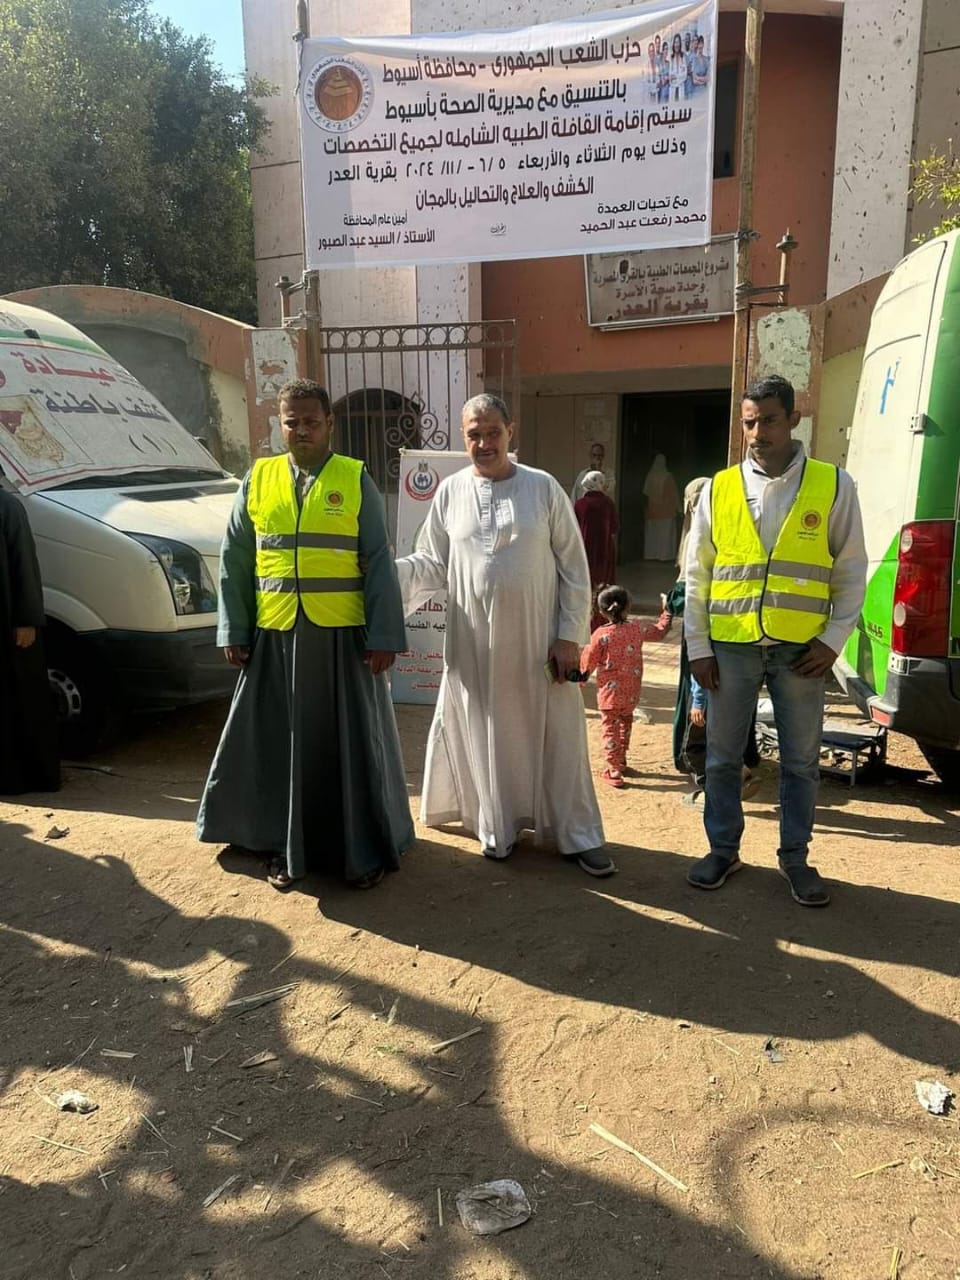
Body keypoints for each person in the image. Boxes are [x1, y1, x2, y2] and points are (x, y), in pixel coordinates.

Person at [197, 378, 413, 892]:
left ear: (329, 424)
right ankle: (278, 842)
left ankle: (360, 850)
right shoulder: (259, 477)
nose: (300, 430)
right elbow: (235, 559)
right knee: (275, 746)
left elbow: (378, 560)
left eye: (311, 421)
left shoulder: (353, 478)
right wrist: (234, 626)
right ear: (281, 422)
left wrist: (383, 635)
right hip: (275, 637)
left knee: (351, 748)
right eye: (291, 421)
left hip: (342, 642)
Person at [396, 393, 614, 878]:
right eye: (474, 433)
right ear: (463, 437)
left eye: (492, 431)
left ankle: (577, 835)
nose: (484, 442)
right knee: (488, 728)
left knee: (557, 733)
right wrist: (384, 579)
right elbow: (432, 561)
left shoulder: (543, 488)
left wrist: (568, 635)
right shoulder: (450, 492)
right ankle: (498, 826)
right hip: (475, 644)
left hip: (539, 641)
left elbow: (574, 569)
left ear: (510, 432)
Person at [684, 374, 867, 907]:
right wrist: (698, 646)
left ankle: (795, 858)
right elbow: (698, 574)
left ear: (793, 419)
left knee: (801, 761)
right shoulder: (718, 488)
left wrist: (834, 640)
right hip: (732, 646)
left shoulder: (834, 485)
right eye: (749, 422)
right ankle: (723, 850)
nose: (757, 432)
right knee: (720, 758)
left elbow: (851, 571)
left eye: (767, 420)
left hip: (801, 652)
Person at [580, 585, 672, 789]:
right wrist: (667, 610)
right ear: (627, 608)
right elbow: (660, 632)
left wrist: (579, 679)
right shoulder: (637, 628)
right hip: (631, 693)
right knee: (625, 724)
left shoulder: (600, 635)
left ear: (602, 610)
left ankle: (613, 768)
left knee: (609, 729)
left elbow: (588, 662)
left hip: (609, 695)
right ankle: (621, 760)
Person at [0, 488, 60, 794]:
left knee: (21, 701)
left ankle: (31, 777)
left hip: (12, 625)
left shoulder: (7, 506)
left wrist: (27, 619)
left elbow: (24, 564)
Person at [574, 470, 619, 629]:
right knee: (603, 585)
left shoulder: (579, 504)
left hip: (584, 551)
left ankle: (585, 621)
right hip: (604, 551)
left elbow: (573, 529)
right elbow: (614, 528)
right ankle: (603, 618)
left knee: (586, 585)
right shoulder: (608, 503)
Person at [642, 453, 681, 561]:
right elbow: (673, 494)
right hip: (667, 512)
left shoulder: (650, 476)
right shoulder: (667, 476)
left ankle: (651, 555)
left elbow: (645, 493)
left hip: (652, 512)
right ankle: (664, 557)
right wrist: (679, 508)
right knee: (665, 537)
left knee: (653, 536)